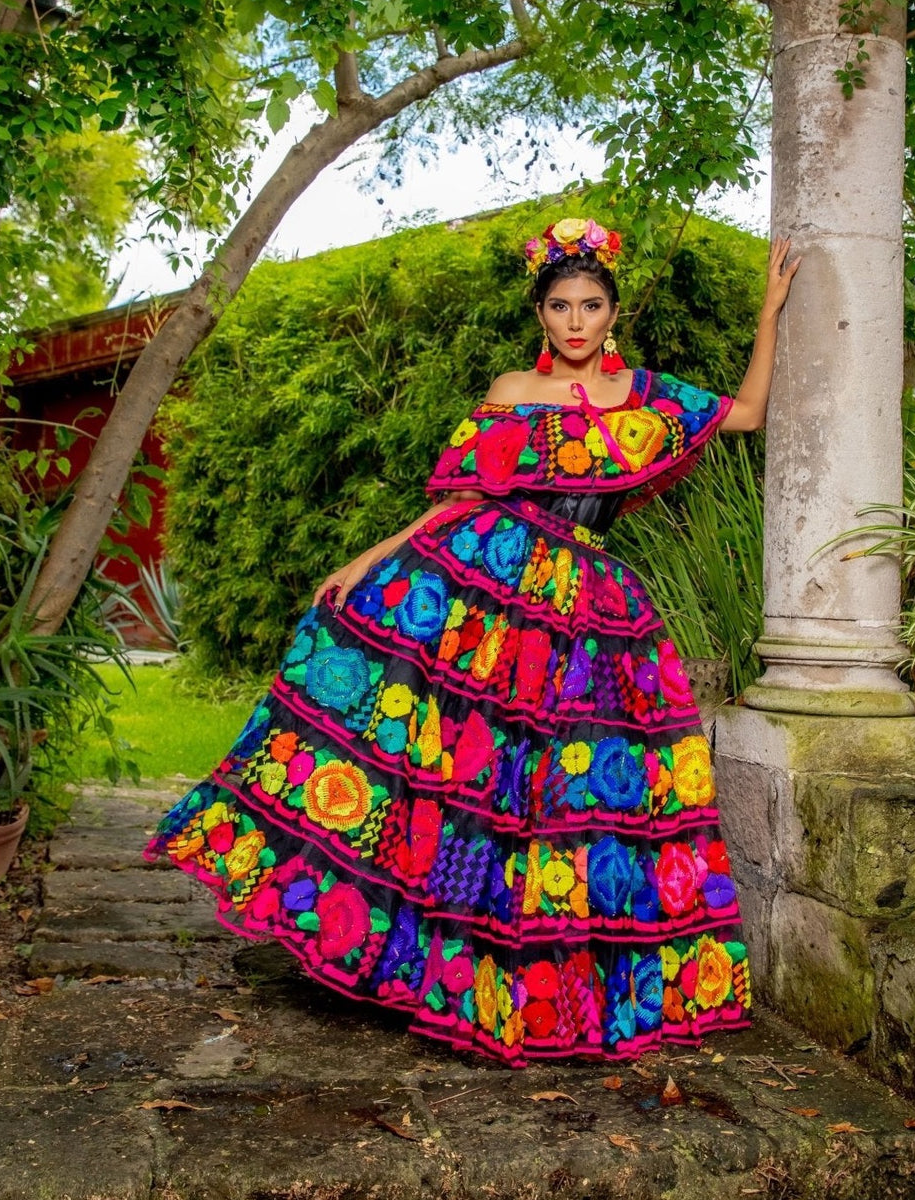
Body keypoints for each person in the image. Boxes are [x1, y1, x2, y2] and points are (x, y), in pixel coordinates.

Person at [146, 217, 799, 1066]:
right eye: (561, 305)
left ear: (612, 313)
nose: (575, 321)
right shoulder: (510, 390)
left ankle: (546, 992)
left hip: (590, 611)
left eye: (590, 305)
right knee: (458, 773)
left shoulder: (643, 393)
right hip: (484, 587)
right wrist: (368, 557)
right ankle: (432, 967)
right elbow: (458, 502)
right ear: (541, 314)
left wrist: (771, 311)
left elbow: (746, 413)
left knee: (569, 795)